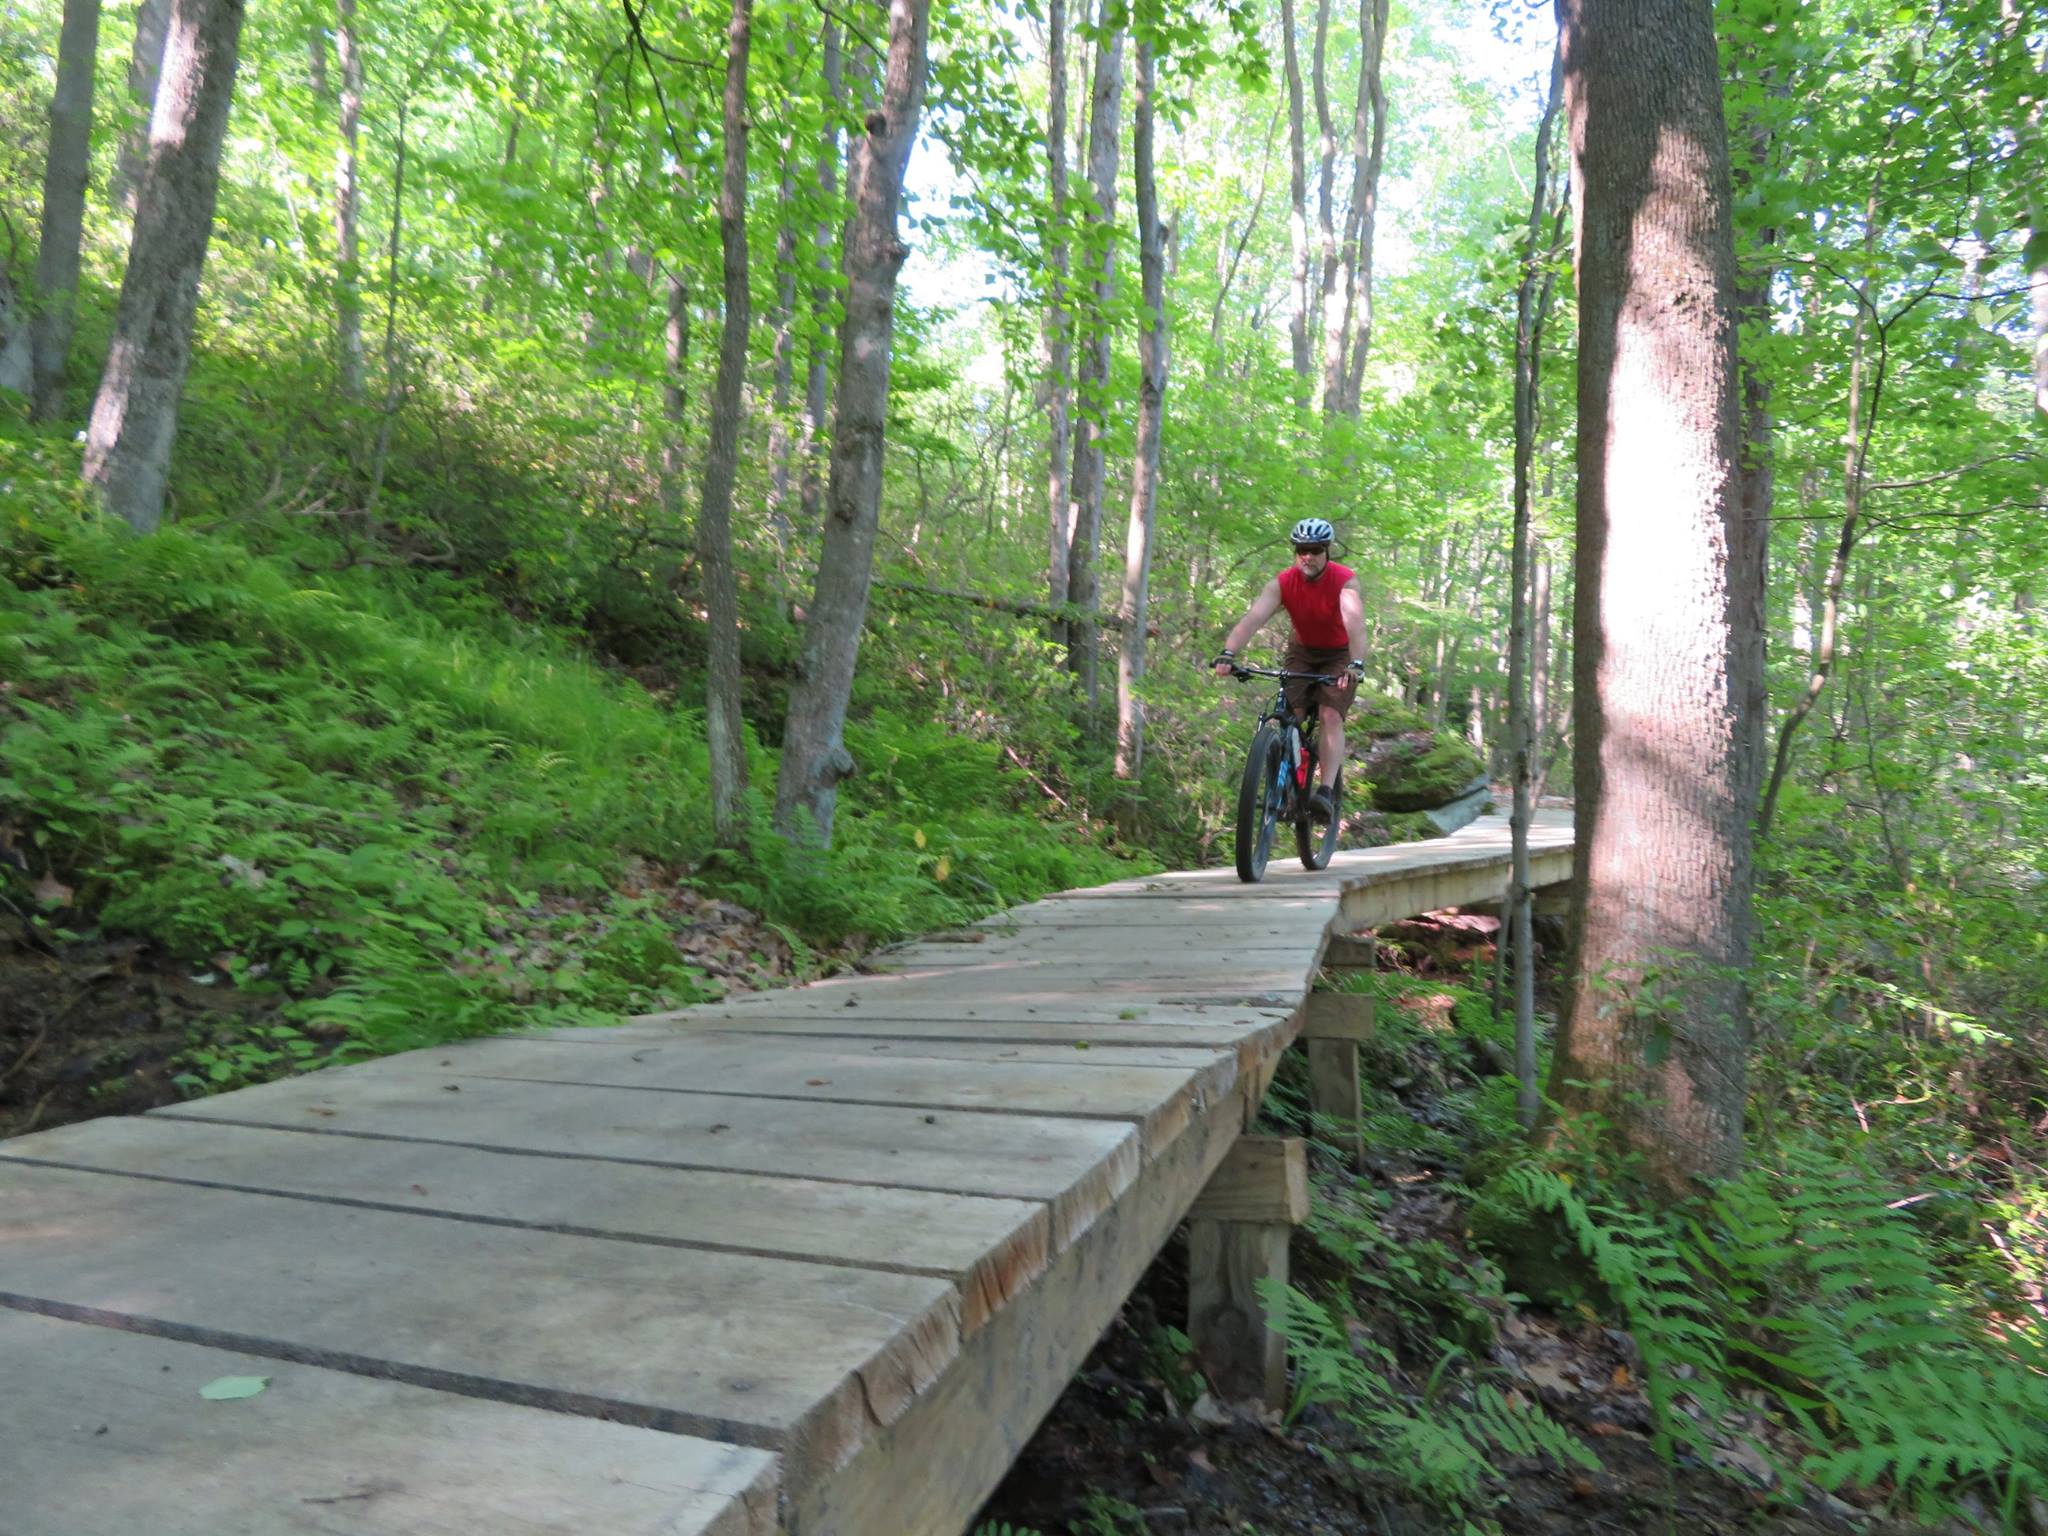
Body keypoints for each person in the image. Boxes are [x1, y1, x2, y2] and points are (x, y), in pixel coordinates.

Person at [1212, 517, 1366, 822]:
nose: (1306, 556)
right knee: (1290, 718)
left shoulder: (1344, 581)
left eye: (1314, 549)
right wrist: (1228, 653)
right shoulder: (1282, 583)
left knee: (1329, 714)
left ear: (1327, 551)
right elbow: (1252, 619)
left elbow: (1356, 627)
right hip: (1302, 651)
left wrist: (1356, 663)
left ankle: (1323, 792)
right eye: (1300, 550)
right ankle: (1288, 781)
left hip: (1340, 653)